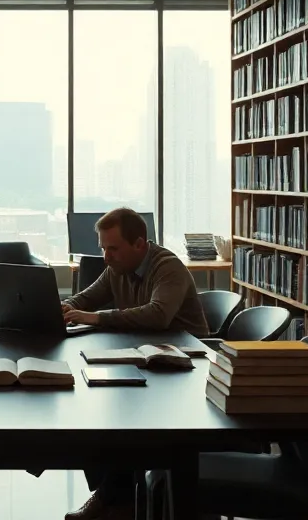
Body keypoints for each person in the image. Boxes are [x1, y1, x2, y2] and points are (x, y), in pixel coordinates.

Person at [62, 207, 208, 520]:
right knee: (99, 404)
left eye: (112, 248)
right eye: (103, 248)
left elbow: (158, 314)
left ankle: (115, 498)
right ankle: (117, 496)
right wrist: (60, 308)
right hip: (143, 357)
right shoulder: (117, 266)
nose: (106, 257)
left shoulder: (167, 267)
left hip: (182, 367)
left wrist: (98, 318)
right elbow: (86, 299)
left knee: (120, 416)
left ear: (139, 244)